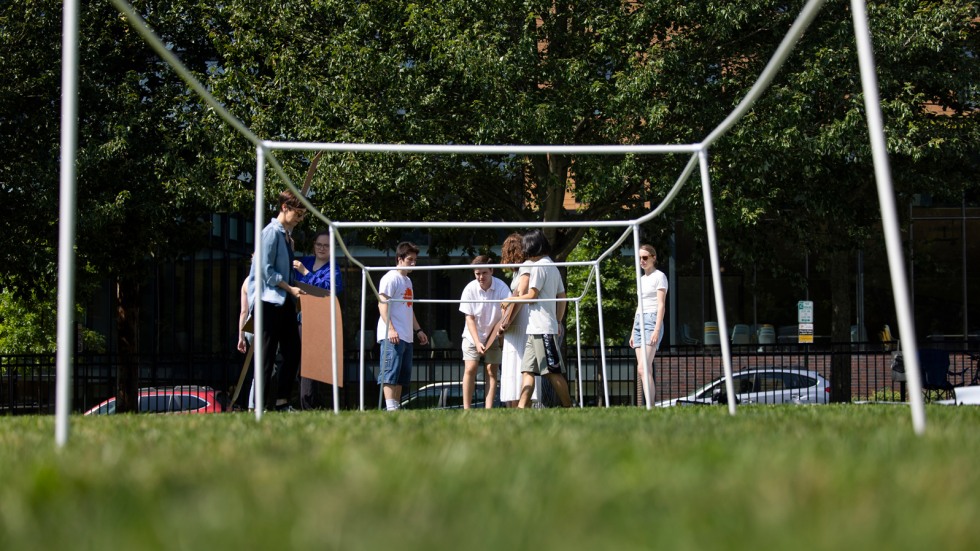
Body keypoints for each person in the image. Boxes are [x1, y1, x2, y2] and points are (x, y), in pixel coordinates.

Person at [246, 189, 307, 411]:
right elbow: (265, 270)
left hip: (284, 302)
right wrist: (290, 288)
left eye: (302, 215)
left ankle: (282, 401)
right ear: (285, 208)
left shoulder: (286, 237)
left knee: (293, 351)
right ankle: (259, 407)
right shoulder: (270, 233)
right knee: (266, 356)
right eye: (298, 214)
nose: (300, 219)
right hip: (268, 302)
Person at [502, 229, 572, 409]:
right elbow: (562, 296)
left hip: (542, 329)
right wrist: (557, 320)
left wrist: (511, 299)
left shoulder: (541, 266)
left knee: (552, 372)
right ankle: (521, 409)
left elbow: (532, 296)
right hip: (535, 329)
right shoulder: (552, 266)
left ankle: (569, 407)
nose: (524, 252)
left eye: (526, 248)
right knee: (527, 371)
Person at [292, 229, 344, 410]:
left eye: (327, 245)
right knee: (300, 362)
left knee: (311, 363)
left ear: (332, 248)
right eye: (319, 244)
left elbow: (329, 290)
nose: (322, 248)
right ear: (313, 246)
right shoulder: (303, 261)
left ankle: (310, 403)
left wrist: (306, 273)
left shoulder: (333, 268)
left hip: (319, 321)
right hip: (300, 318)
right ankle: (310, 402)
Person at [376, 242, 429, 410]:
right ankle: (391, 408)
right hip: (392, 334)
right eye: (410, 259)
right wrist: (391, 329)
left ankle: (395, 408)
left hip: (406, 335)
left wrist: (418, 330)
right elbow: (382, 304)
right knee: (390, 371)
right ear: (399, 259)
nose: (413, 263)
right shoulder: (391, 277)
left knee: (402, 375)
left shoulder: (408, 281)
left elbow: (409, 307)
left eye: (415, 260)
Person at [458, 255, 510, 409]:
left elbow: (507, 311)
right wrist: (477, 341)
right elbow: (469, 318)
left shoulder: (502, 288)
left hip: (493, 335)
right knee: (470, 368)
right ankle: (466, 409)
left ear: (492, 271)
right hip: (471, 335)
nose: (480, 277)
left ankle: (488, 410)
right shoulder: (469, 289)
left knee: (492, 371)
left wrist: (501, 329)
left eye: (484, 273)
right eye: (477, 273)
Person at [497, 232, 538, 407]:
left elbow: (520, 298)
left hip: (520, 323)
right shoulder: (518, 272)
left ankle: (521, 404)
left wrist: (506, 322)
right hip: (516, 323)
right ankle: (516, 404)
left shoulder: (525, 269)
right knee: (515, 364)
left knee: (519, 363)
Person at [629, 244, 668, 407]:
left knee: (643, 368)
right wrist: (633, 330)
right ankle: (650, 406)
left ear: (653, 257)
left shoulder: (660, 276)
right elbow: (639, 305)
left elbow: (661, 305)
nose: (642, 261)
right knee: (644, 370)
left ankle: (650, 407)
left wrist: (657, 329)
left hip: (652, 320)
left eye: (645, 257)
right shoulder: (641, 280)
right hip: (639, 320)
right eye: (639, 258)